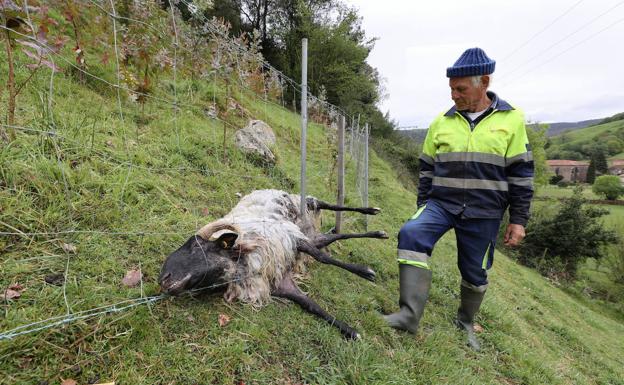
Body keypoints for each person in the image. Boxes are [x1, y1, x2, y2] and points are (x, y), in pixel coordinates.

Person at [384, 47, 534, 351]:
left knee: (475, 273)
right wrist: (423, 204)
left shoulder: (512, 120)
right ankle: (408, 316)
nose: (454, 95)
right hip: (440, 204)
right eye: (451, 89)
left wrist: (518, 220)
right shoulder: (442, 121)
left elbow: (521, 174)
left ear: (484, 82)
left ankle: (465, 324)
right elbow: (426, 168)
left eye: (461, 88)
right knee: (411, 233)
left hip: (485, 212)